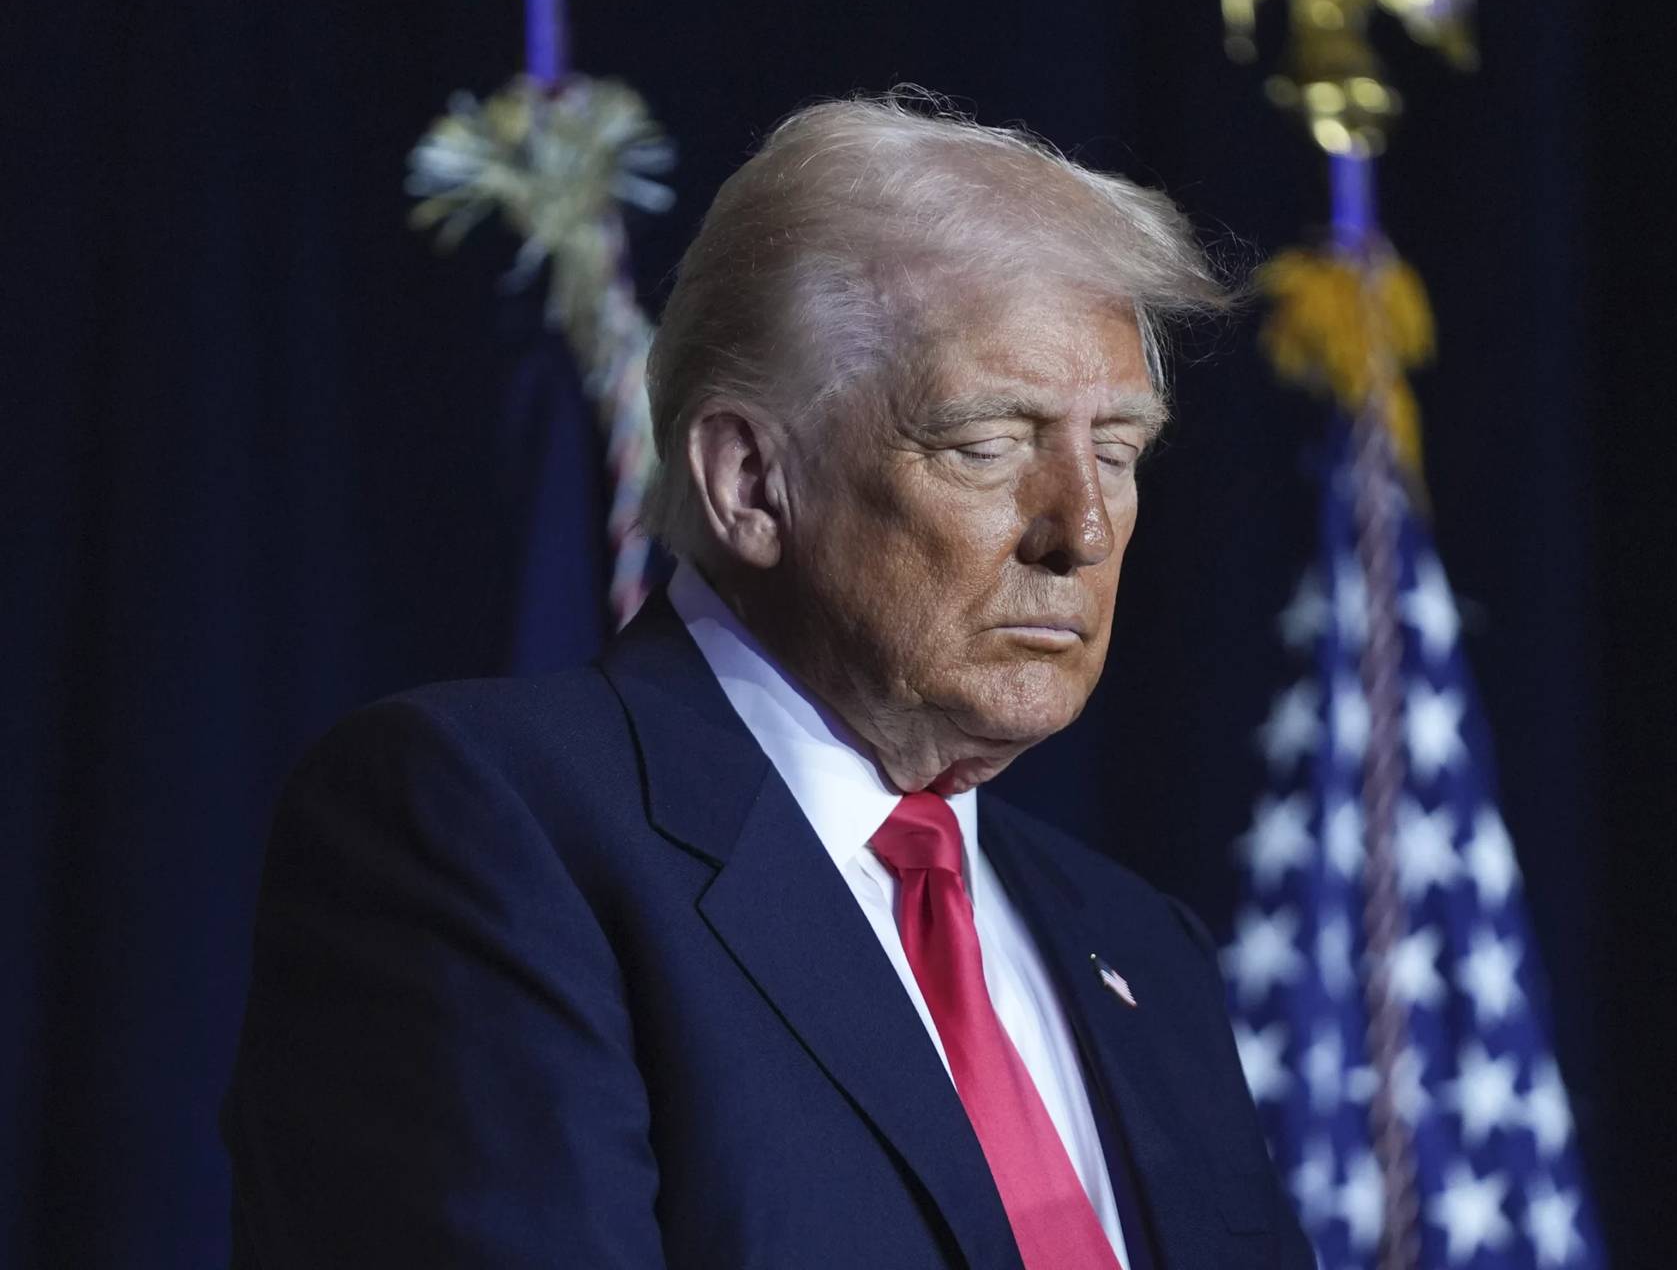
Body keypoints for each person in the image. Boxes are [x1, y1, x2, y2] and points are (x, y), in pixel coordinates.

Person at [224, 93, 1316, 1269]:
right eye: (991, 442)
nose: (1084, 530)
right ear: (751, 482)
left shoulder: (1143, 945)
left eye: (1115, 450)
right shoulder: (481, 828)